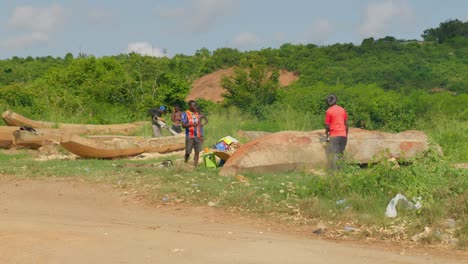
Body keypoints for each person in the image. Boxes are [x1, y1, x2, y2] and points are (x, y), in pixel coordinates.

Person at [324, 94, 349, 170]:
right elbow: (346, 124)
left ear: (328, 103)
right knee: (340, 154)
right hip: (343, 135)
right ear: (336, 101)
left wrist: (327, 132)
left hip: (334, 135)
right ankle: (341, 171)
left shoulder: (329, 111)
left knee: (334, 154)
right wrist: (346, 134)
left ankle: (335, 174)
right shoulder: (342, 109)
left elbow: (327, 125)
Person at [181, 100, 208, 166]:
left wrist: (201, 135)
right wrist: (191, 124)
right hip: (190, 136)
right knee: (188, 152)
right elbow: (183, 125)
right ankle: (185, 162)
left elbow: (200, 124)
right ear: (190, 106)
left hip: (198, 136)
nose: (195, 107)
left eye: (196, 105)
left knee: (197, 151)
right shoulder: (185, 113)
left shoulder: (197, 113)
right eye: (194, 106)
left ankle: (194, 166)